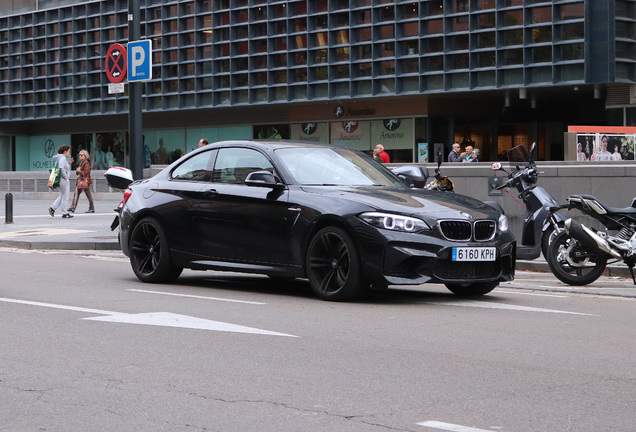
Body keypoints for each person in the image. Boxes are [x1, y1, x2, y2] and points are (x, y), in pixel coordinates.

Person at [49, 145, 74, 219]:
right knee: (65, 196)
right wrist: (66, 177)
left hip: (60, 179)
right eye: (69, 151)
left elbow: (63, 167)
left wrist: (69, 163)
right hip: (63, 179)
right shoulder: (62, 157)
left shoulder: (59, 157)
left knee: (63, 195)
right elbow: (61, 168)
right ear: (65, 151)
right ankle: (64, 212)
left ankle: (53, 208)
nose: (69, 153)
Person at [68, 149, 95, 214]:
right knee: (77, 194)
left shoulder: (86, 163)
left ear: (85, 156)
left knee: (83, 194)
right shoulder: (82, 162)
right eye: (79, 155)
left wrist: (78, 171)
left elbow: (86, 173)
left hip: (84, 181)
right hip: (82, 181)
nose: (80, 156)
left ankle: (91, 208)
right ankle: (73, 207)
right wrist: (78, 171)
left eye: (81, 155)